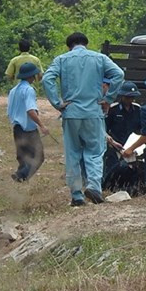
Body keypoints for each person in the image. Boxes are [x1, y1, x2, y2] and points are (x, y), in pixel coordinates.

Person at [43, 32, 124, 206]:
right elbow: (118, 74)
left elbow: (47, 78)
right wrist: (108, 99)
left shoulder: (62, 59)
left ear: (69, 46)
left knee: (73, 152)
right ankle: (94, 186)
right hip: (93, 111)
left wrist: (57, 103)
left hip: (71, 112)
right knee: (94, 151)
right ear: (86, 44)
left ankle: (77, 195)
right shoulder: (99, 58)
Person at [6, 62, 48, 182]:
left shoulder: (13, 90)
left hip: (17, 127)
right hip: (28, 129)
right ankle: (20, 176)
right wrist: (42, 126)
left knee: (23, 157)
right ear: (32, 76)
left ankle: (21, 182)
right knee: (38, 156)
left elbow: (9, 111)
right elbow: (31, 111)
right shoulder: (29, 90)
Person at [103, 81, 142, 192]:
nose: (130, 100)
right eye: (128, 97)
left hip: (132, 146)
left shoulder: (138, 110)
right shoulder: (113, 109)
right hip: (115, 146)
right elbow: (105, 129)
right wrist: (111, 142)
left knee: (132, 170)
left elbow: (140, 129)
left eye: (132, 97)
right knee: (113, 169)